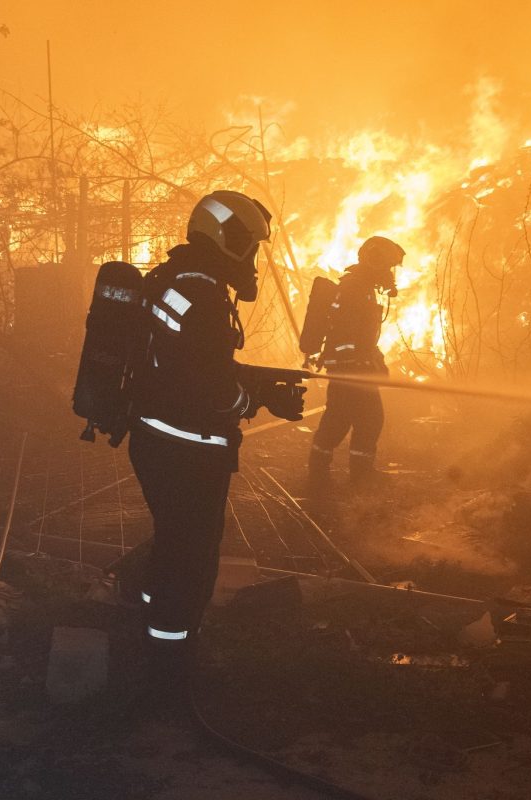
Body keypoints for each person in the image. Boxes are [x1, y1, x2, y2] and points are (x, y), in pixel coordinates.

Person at [128, 190, 305, 704]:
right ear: (225, 238)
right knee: (193, 556)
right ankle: (170, 669)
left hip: (157, 438)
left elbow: (193, 363)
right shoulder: (203, 296)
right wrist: (260, 397)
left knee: (172, 542)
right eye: (248, 245)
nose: (251, 258)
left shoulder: (178, 281)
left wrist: (257, 381)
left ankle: (147, 615)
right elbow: (212, 388)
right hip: (187, 449)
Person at [308, 235, 405, 485]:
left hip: (350, 368)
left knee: (339, 418)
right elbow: (345, 336)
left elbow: (362, 338)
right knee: (369, 419)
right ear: (375, 262)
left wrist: (374, 359)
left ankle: (320, 468)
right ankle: (358, 475)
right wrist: (359, 363)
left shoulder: (362, 288)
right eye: (387, 267)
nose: (390, 274)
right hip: (350, 370)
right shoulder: (355, 288)